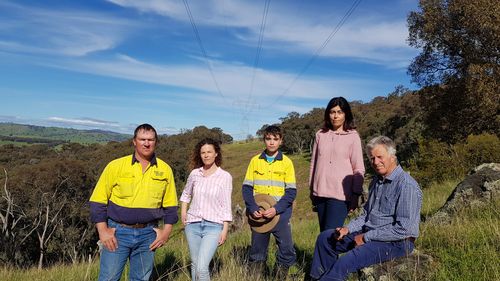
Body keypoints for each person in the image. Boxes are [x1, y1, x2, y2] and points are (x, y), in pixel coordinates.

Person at [310, 136, 423, 281]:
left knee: (344, 262)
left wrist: (365, 237)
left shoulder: (406, 186)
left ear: (392, 156)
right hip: (370, 231)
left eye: (379, 157)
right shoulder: (377, 181)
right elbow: (366, 215)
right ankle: (318, 278)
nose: (375, 162)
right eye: (372, 158)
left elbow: (404, 229)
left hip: (395, 242)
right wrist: (347, 229)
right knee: (326, 239)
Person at [89, 124, 178, 281]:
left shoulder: (165, 170)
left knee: (141, 279)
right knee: (108, 278)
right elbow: (98, 201)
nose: (146, 143)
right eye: (142, 139)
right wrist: (103, 231)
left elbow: (171, 207)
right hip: (117, 233)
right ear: (134, 141)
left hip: (148, 235)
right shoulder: (115, 166)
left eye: (150, 139)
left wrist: (166, 233)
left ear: (156, 142)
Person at [242, 125, 297, 279]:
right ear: (264, 140)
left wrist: (276, 209)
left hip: (281, 214)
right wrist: (252, 207)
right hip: (258, 215)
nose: (272, 142)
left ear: (281, 141)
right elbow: (246, 188)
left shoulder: (287, 162)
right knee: (257, 251)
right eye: (268, 139)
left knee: (286, 250)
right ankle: (257, 276)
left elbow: (291, 192)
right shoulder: (255, 161)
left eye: (275, 139)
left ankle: (279, 277)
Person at [310, 96, 365, 232]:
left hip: (341, 196)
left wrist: (355, 194)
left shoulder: (353, 136)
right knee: (323, 234)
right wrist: (311, 189)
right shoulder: (320, 135)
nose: (335, 116)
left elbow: (358, 167)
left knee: (330, 235)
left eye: (339, 112)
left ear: (346, 114)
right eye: (332, 112)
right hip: (320, 193)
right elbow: (313, 163)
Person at [180, 138, 233, 281]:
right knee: (195, 264)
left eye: (209, 152)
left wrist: (225, 229)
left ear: (216, 154)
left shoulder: (224, 177)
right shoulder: (194, 174)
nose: (206, 155)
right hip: (193, 224)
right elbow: (186, 194)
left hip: (214, 226)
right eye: (203, 152)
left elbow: (226, 204)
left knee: (202, 267)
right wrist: (184, 213)